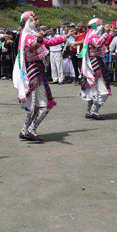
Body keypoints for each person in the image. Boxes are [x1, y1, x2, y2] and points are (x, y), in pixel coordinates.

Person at [13, 11, 73, 142]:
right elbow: (32, 44)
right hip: (35, 72)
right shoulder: (28, 36)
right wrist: (38, 39)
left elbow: (49, 42)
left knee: (36, 105)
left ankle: (25, 130)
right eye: (35, 19)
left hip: (37, 71)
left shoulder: (30, 35)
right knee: (44, 105)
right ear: (28, 21)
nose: (38, 21)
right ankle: (31, 129)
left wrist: (64, 37)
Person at [77, 19, 114, 119]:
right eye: (100, 26)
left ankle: (89, 111)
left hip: (96, 63)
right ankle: (93, 110)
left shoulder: (93, 36)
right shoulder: (93, 37)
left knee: (93, 90)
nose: (102, 27)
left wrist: (110, 33)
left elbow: (104, 43)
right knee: (102, 90)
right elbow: (98, 43)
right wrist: (106, 33)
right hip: (95, 64)